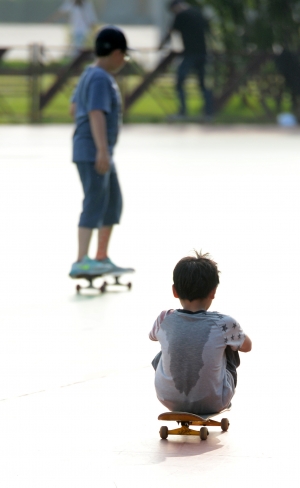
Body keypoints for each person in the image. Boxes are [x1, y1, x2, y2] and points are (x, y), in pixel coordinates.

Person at [149, 251, 252, 414]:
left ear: (174, 291)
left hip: (168, 399)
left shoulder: (164, 318)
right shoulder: (224, 323)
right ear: (213, 292)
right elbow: (247, 346)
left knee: (165, 350)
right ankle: (219, 394)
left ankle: (176, 393)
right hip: (214, 401)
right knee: (230, 348)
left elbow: (152, 337)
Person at [69, 26, 134, 278]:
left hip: (95, 149)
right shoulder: (100, 78)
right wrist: (101, 150)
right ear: (117, 53)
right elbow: (95, 112)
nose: (123, 61)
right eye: (124, 56)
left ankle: (101, 257)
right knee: (95, 201)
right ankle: (80, 260)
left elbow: (74, 109)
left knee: (112, 201)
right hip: (94, 151)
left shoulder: (89, 74)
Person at [160, 1, 213, 119]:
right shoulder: (198, 13)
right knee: (203, 84)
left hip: (190, 54)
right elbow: (209, 30)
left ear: (175, 7)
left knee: (180, 81)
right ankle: (209, 113)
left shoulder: (181, 15)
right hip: (203, 53)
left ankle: (183, 112)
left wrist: (161, 45)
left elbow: (171, 32)